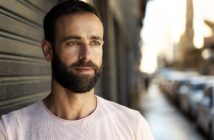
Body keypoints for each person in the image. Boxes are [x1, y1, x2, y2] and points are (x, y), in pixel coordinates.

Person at [0, 0, 154, 139]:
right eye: (73, 43)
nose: (86, 55)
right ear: (48, 50)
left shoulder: (133, 126)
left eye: (94, 43)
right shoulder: (10, 131)